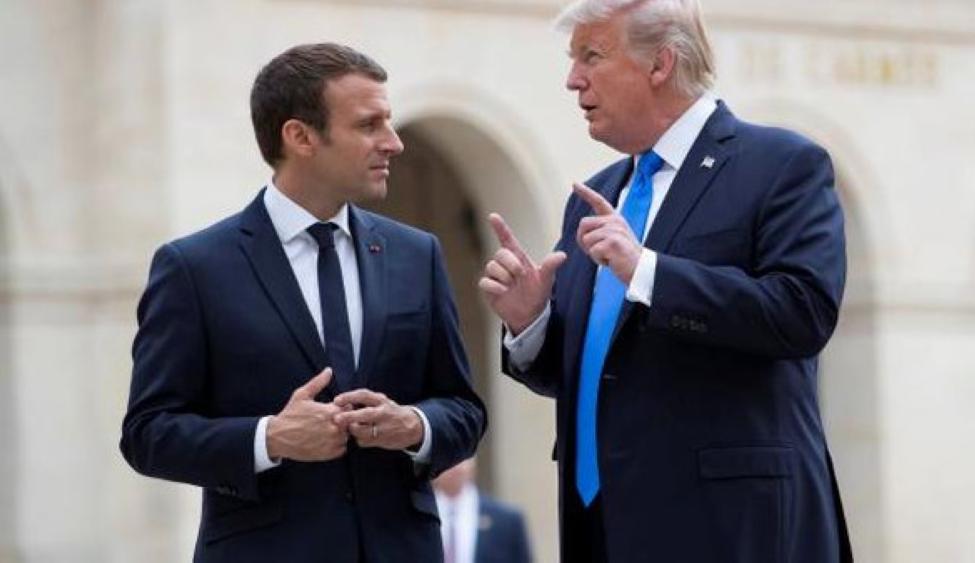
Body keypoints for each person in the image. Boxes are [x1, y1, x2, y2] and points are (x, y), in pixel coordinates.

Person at [478, 1, 852, 561]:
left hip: (730, 527)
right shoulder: (599, 195)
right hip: (601, 527)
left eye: (592, 56)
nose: (571, 78)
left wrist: (647, 270)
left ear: (660, 64)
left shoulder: (780, 165)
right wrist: (530, 321)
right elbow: (599, 370)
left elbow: (801, 313)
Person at [120, 42, 486, 563]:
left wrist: (415, 426)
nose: (394, 142)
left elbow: (463, 411)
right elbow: (148, 434)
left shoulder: (416, 254)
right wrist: (270, 438)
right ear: (300, 137)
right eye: (369, 125)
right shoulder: (194, 267)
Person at [433, 458, 533, 563]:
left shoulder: (507, 521)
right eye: (448, 457)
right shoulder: (417, 519)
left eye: (462, 459)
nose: (454, 467)